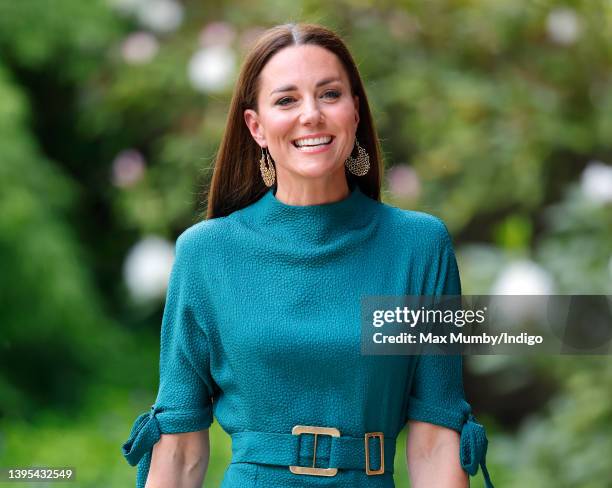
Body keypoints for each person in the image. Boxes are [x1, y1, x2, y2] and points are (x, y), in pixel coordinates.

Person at [121, 22, 494, 488]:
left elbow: (437, 442)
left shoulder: (419, 248)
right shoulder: (205, 255)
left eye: (330, 94)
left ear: (355, 111)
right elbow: (178, 450)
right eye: (286, 100)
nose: (311, 115)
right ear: (256, 127)